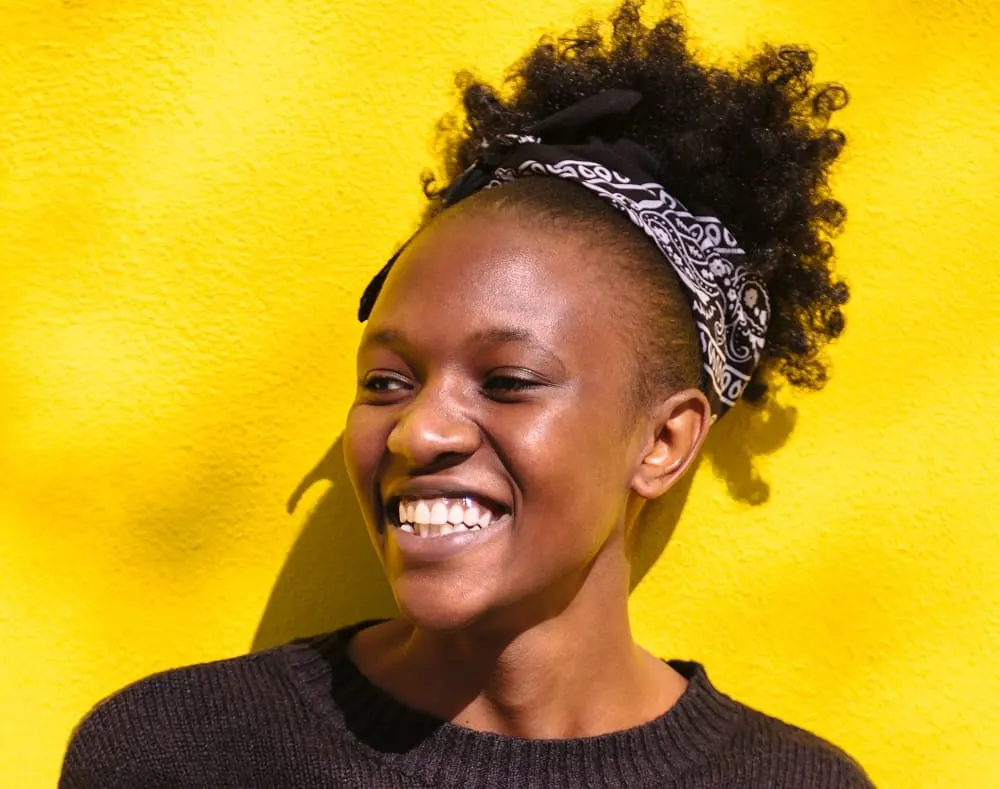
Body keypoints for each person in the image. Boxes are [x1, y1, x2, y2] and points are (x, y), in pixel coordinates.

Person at [60, 2, 874, 786]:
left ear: (662, 443)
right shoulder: (175, 755)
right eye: (386, 381)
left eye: (507, 382)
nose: (418, 432)